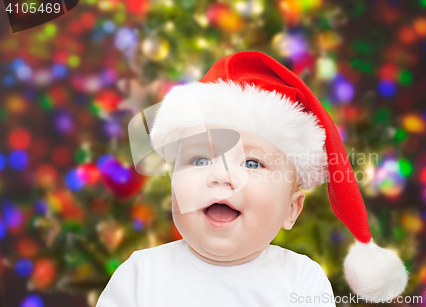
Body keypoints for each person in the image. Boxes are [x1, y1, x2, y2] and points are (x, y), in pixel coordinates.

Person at [95, 51, 408, 307]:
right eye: (200, 159)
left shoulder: (301, 280)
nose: (221, 175)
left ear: (292, 209)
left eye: (252, 163)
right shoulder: (141, 275)